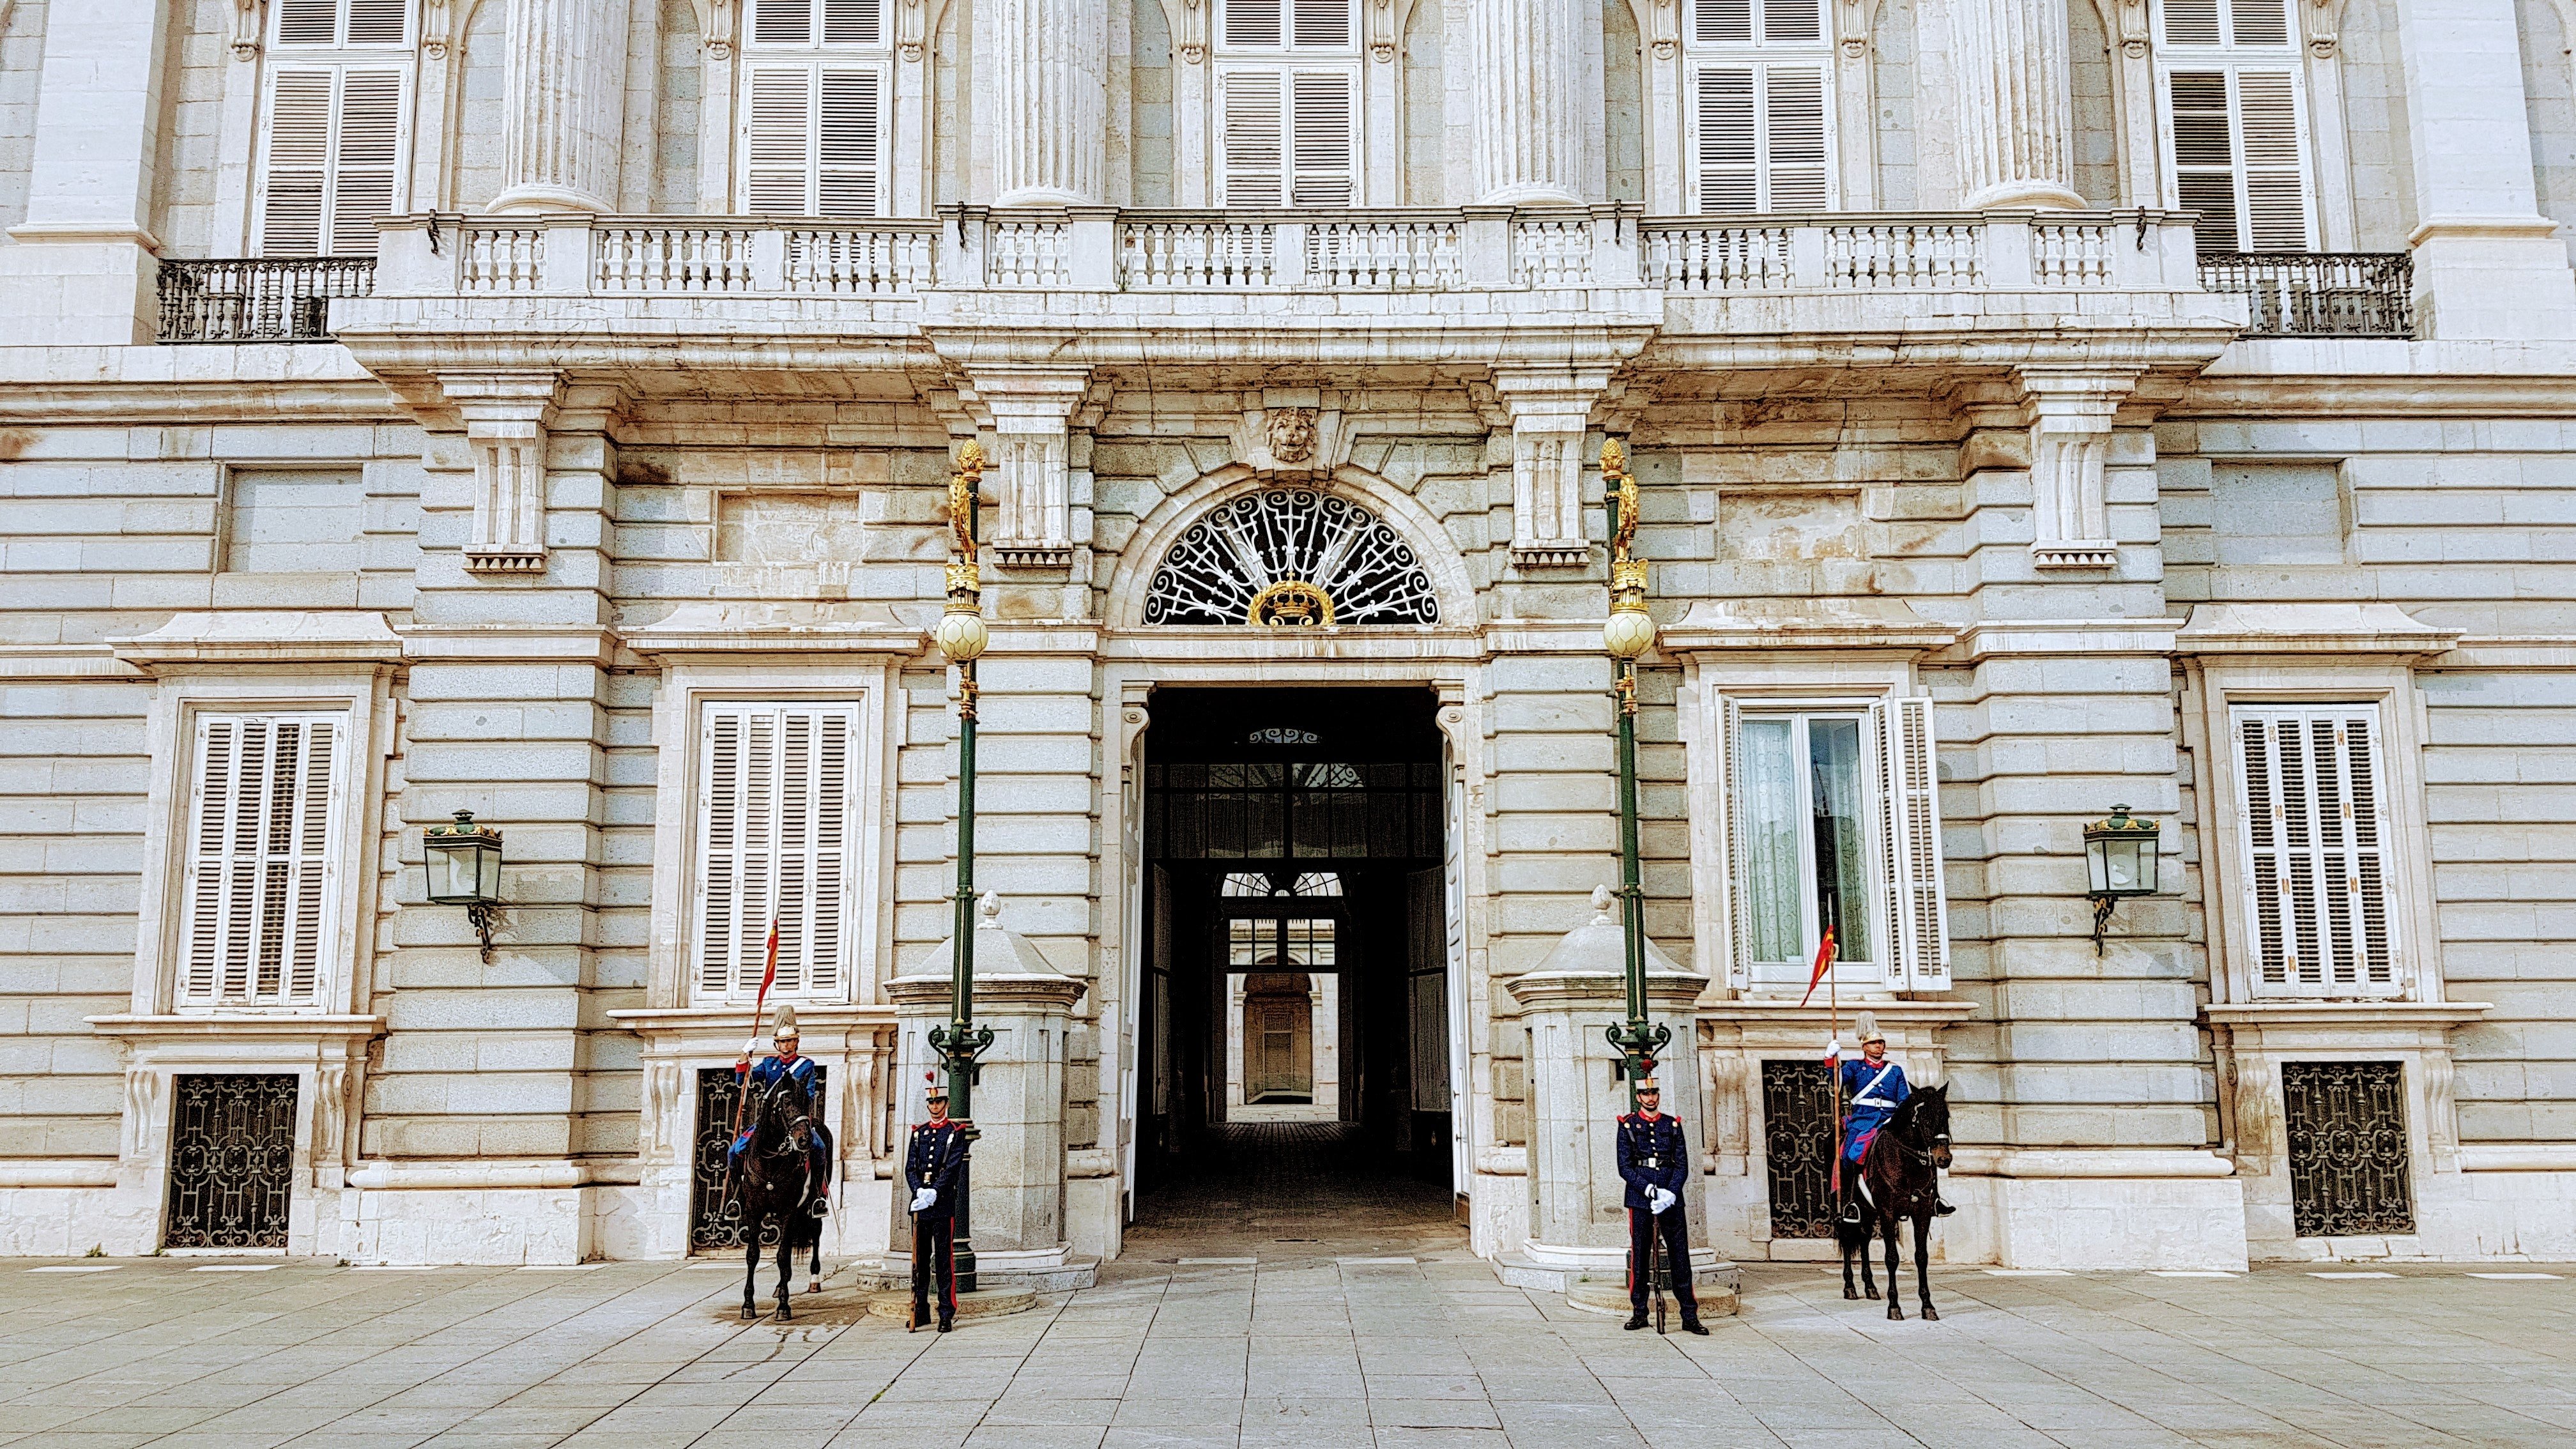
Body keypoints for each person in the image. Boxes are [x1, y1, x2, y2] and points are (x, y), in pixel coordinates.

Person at [1826, 1011, 1952, 1223]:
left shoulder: (1894, 1070)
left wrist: (1899, 1118)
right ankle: (1852, 1204)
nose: (1879, 1046)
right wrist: (1831, 1058)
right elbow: (1837, 1081)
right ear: (1864, 1046)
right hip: (1864, 1121)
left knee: (1925, 1151)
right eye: (1874, 1043)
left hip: (1891, 1120)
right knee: (1849, 1156)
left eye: (1881, 1043)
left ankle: (1935, 1200)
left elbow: (1904, 1099)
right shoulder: (1855, 1067)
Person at [1614, 1077, 1709, 1335]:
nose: (1651, 1098)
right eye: (1646, 1094)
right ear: (1638, 1097)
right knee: (1641, 1257)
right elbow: (1625, 1166)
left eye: (1654, 1092)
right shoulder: (1628, 1126)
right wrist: (1648, 1189)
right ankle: (1639, 1313)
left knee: (1680, 1256)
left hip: (1670, 1198)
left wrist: (1670, 1192)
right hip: (1640, 1198)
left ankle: (1689, 1316)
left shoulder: (1673, 1125)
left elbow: (1682, 1164)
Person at [732, 1004, 832, 1220]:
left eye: (790, 1041)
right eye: (782, 1042)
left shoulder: (806, 1066)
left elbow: (809, 1094)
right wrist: (744, 1055)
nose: (786, 1045)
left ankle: (817, 1197)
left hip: (794, 1120)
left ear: (797, 1042)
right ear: (776, 1044)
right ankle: (737, 1197)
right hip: (768, 1121)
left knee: (820, 1148)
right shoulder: (769, 1064)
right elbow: (744, 1081)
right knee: (734, 1151)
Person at [905, 1078, 970, 1331]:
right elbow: (910, 1166)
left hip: (941, 1204)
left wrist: (934, 1191)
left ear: (946, 1103)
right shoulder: (918, 1132)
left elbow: (953, 1167)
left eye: (939, 1101)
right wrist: (918, 1190)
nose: (934, 1106)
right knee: (918, 1261)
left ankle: (945, 1312)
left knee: (943, 1262)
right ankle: (920, 1311)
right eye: (931, 1101)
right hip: (920, 1206)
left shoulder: (955, 1131)